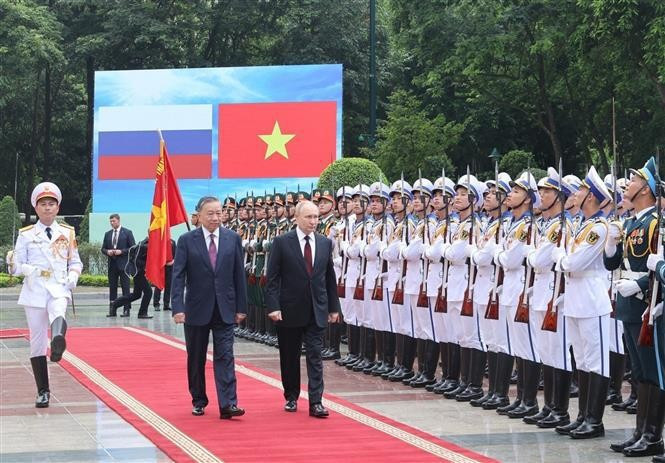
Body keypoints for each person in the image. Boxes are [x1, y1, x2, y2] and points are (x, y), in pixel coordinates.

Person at [7, 182, 83, 407]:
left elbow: (75, 261)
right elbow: (16, 267)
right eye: (43, 204)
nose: (47, 208)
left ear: (57, 208)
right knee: (37, 341)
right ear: (36, 208)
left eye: (51, 204)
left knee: (58, 310)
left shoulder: (67, 233)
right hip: (35, 289)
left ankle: (58, 340)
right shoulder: (27, 234)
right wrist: (14, 264)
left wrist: (73, 276)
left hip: (59, 286)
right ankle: (43, 391)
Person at [171, 196, 248, 419]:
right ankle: (199, 399)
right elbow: (178, 276)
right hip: (196, 308)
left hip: (225, 307)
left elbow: (238, 275)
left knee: (225, 355)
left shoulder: (232, 238)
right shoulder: (187, 240)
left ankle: (228, 403)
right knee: (196, 357)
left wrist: (241, 307)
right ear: (199, 216)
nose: (216, 218)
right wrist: (177, 307)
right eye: (210, 214)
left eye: (219, 213)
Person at [265, 200, 341, 417]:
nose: (313, 221)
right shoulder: (281, 242)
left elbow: (328, 277)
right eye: (309, 217)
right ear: (297, 218)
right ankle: (291, 395)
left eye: (316, 217)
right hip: (289, 309)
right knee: (289, 356)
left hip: (316, 308)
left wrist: (334, 307)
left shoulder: (325, 243)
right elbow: (273, 279)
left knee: (315, 355)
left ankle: (316, 401)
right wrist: (273, 306)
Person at [101, 214, 135, 317]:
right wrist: (108, 251)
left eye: (114, 221)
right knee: (112, 288)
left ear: (119, 221)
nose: (112, 223)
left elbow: (133, 248)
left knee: (126, 288)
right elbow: (103, 248)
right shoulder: (107, 234)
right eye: (110, 221)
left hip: (124, 265)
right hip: (112, 265)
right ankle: (112, 310)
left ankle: (126, 309)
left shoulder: (127, 233)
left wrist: (122, 251)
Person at [111, 236, 153, 319]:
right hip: (140, 272)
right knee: (148, 292)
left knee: (136, 294)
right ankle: (142, 313)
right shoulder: (146, 246)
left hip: (137, 272)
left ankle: (115, 303)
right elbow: (140, 260)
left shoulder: (144, 243)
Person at [152, 238, 176, 311]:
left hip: (170, 267)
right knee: (158, 286)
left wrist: (173, 261)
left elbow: (176, 254)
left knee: (168, 286)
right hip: (160, 267)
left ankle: (166, 305)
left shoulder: (172, 242)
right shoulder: (158, 241)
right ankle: (156, 304)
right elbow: (155, 254)